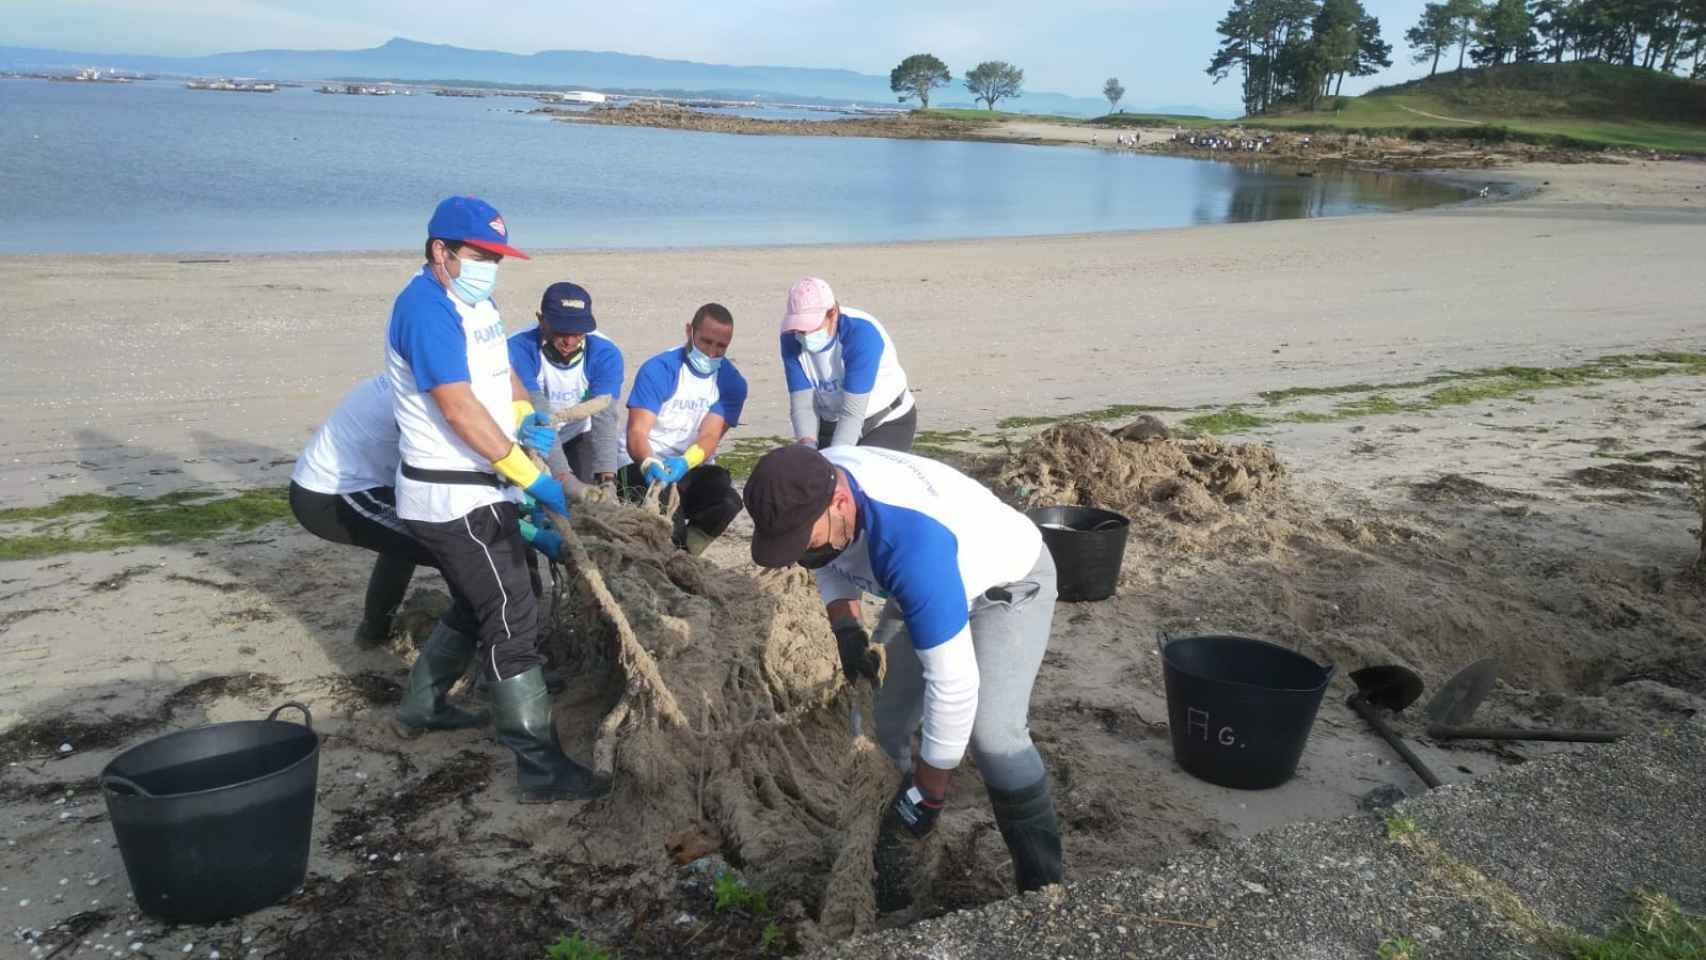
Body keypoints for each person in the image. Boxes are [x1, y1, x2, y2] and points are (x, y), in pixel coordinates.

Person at [741, 444, 1064, 907]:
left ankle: (1043, 889)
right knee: (879, 725)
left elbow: (953, 686)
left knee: (995, 737)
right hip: (923, 581)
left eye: (802, 541)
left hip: (1008, 583)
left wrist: (930, 795)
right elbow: (825, 559)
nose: (799, 556)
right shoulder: (817, 481)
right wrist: (846, 627)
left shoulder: (910, 546)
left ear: (840, 504)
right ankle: (891, 859)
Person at [385, 195, 605, 803]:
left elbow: (499, 373)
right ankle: (540, 768)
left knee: (478, 600)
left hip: (482, 486)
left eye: (498, 257)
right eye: (481, 255)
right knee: (513, 612)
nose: (491, 266)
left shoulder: (473, 300)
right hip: (452, 498)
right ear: (441, 252)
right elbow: (456, 408)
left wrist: (524, 415)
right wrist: (527, 475)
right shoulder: (425, 309)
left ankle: (422, 707)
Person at [288, 373, 439, 647]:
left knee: (403, 543)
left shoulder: (412, 373)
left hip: (357, 481)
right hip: (332, 494)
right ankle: (469, 639)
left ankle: (374, 632)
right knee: (451, 549)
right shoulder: (422, 397)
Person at [619, 302, 748, 555]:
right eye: (705, 342)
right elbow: (637, 433)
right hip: (642, 464)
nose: (711, 353)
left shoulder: (732, 383)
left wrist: (685, 462)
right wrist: (649, 463)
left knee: (729, 502)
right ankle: (671, 557)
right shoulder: (659, 370)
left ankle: (686, 558)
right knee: (670, 524)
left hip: (687, 465)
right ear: (689, 331)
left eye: (721, 346)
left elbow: (710, 435)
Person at [507, 281, 625, 497]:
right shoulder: (518, 348)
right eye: (561, 331)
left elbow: (604, 415)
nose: (570, 341)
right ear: (542, 320)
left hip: (578, 434)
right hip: (530, 436)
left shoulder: (605, 353)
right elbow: (538, 410)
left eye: (578, 332)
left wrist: (607, 480)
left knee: (592, 498)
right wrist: (564, 478)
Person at [780, 277, 916, 452]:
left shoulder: (861, 334)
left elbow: (852, 413)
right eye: (799, 329)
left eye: (811, 327)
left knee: (853, 473)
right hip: (830, 419)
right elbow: (803, 405)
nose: (804, 335)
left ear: (833, 312)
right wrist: (808, 448)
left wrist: (838, 458)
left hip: (884, 420)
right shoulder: (790, 337)